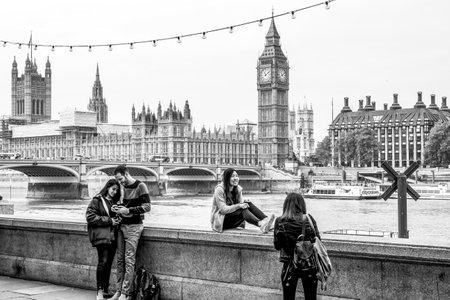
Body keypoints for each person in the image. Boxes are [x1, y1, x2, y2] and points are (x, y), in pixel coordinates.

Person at [111, 165, 151, 300]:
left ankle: (125, 293)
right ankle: (118, 290)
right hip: (122, 225)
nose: (120, 182)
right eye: (118, 180)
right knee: (120, 260)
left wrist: (128, 211)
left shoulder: (141, 186)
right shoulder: (122, 188)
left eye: (121, 179)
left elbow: (147, 207)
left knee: (129, 260)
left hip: (134, 226)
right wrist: (117, 208)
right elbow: (125, 206)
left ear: (126, 173)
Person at [273, 192, 321, 300]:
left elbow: (277, 245)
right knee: (311, 297)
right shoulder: (309, 219)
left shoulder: (279, 221)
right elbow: (317, 241)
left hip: (289, 266)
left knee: (288, 297)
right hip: (309, 265)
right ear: (302, 205)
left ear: (286, 205)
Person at [86, 179, 122, 300]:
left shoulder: (115, 202)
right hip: (102, 236)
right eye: (113, 189)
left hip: (113, 237)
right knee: (103, 262)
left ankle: (105, 290)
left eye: (117, 190)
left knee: (108, 264)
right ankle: (99, 291)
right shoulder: (97, 200)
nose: (115, 192)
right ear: (107, 188)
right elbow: (90, 217)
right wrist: (109, 220)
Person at [211, 167, 275, 233]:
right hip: (221, 222)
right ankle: (260, 224)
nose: (236, 178)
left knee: (247, 204)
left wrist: (244, 202)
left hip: (233, 219)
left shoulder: (238, 189)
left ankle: (266, 221)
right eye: (232, 176)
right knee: (242, 208)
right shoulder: (219, 190)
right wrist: (239, 206)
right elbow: (223, 210)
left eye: (237, 176)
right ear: (227, 178)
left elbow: (242, 205)